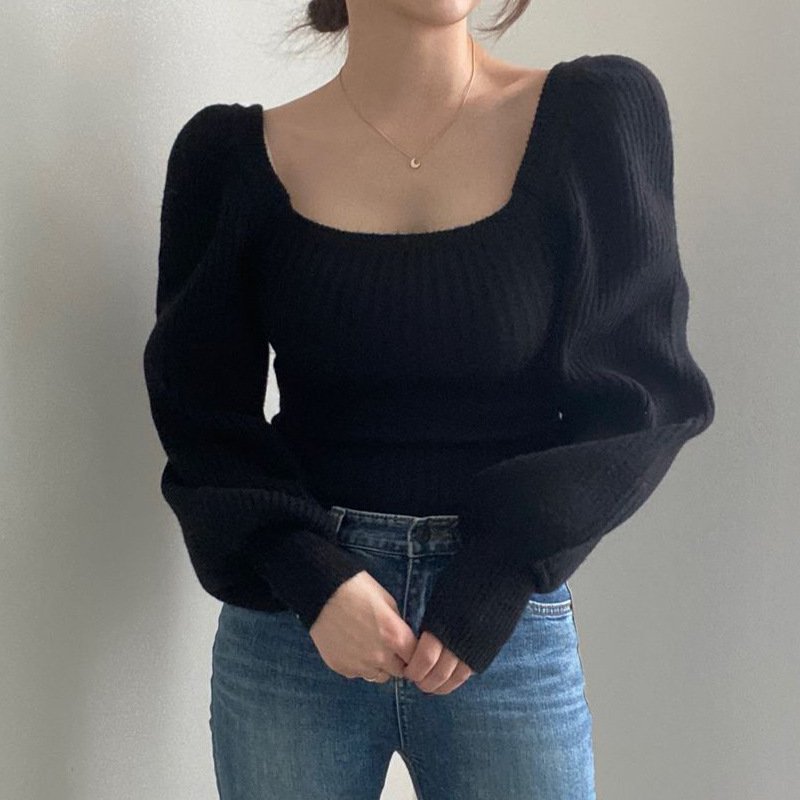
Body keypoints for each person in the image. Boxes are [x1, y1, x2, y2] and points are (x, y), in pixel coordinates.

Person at [142, 1, 715, 797]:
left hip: (502, 628)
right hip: (297, 629)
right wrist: (306, 571)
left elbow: (643, 392)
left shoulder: (593, 118)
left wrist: (497, 573)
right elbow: (200, 411)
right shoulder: (229, 158)